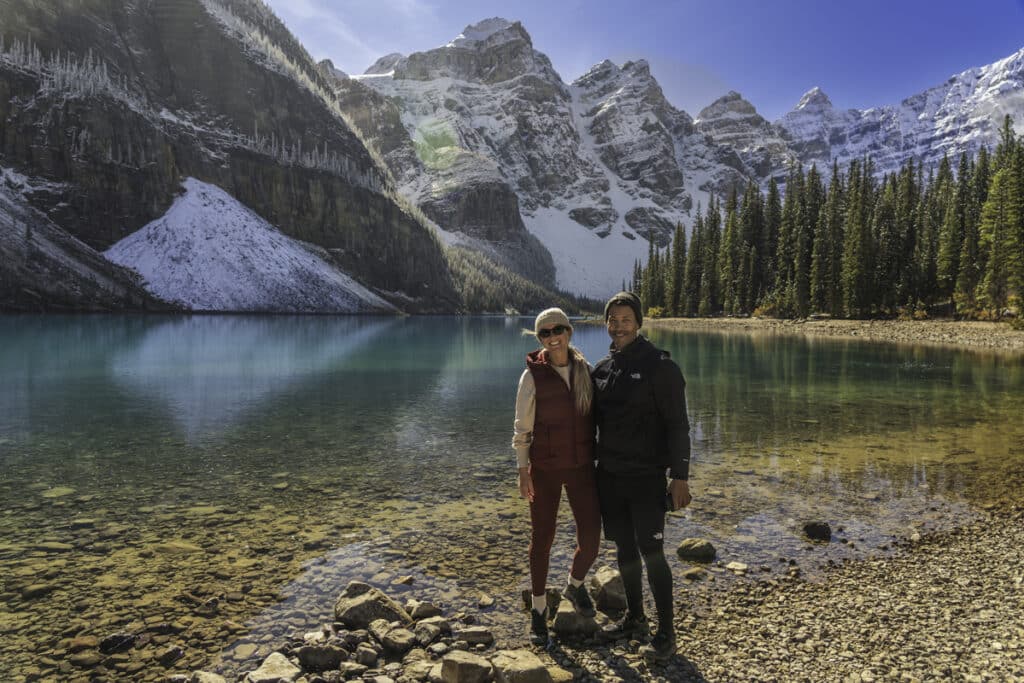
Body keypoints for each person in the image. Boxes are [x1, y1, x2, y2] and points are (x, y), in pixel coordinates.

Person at [591, 291, 692, 663]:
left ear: (639, 323)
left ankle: (666, 635)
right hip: (611, 478)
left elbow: (678, 426)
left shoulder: (660, 367)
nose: (618, 327)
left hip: (646, 479)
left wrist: (679, 477)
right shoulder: (602, 369)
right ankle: (635, 618)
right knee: (624, 549)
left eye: (625, 320)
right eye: (612, 321)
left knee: (652, 552)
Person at [512, 307, 602, 646]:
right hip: (545, 470)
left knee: (592, 540)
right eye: (544, 333)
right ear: (540, 339)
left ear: (569, 331)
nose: (552, 337)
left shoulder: (586, 371)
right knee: (542, 541)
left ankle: (574, 585)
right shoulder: (531, 377)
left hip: (581, 468)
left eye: (558, 329)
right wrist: (523, 472)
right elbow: (522, 429)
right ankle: (538, 610)